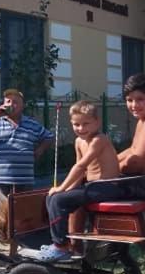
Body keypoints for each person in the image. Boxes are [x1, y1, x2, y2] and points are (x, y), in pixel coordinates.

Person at [37, 101, 120, 261]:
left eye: (86, 124)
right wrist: (67, 189)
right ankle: (63, 242)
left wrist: (61, 188)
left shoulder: (99, 140)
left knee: (58, 198)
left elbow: (82, 165)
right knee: (52, 198)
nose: (81, 128)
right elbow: (80, 172)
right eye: (76, 124)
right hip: (92, 186)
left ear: (97, 122)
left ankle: (60, 246)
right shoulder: (78, 142)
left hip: (107, 187)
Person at [0, 88, 54, 196]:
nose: (11, 105)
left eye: (15, 102)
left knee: (23, 211)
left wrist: (40, 150)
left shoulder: (32, 124)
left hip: (24, 180)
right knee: (0, 211)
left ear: (22, 105)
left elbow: (49, 137)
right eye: (8, 102)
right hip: (0, 180)